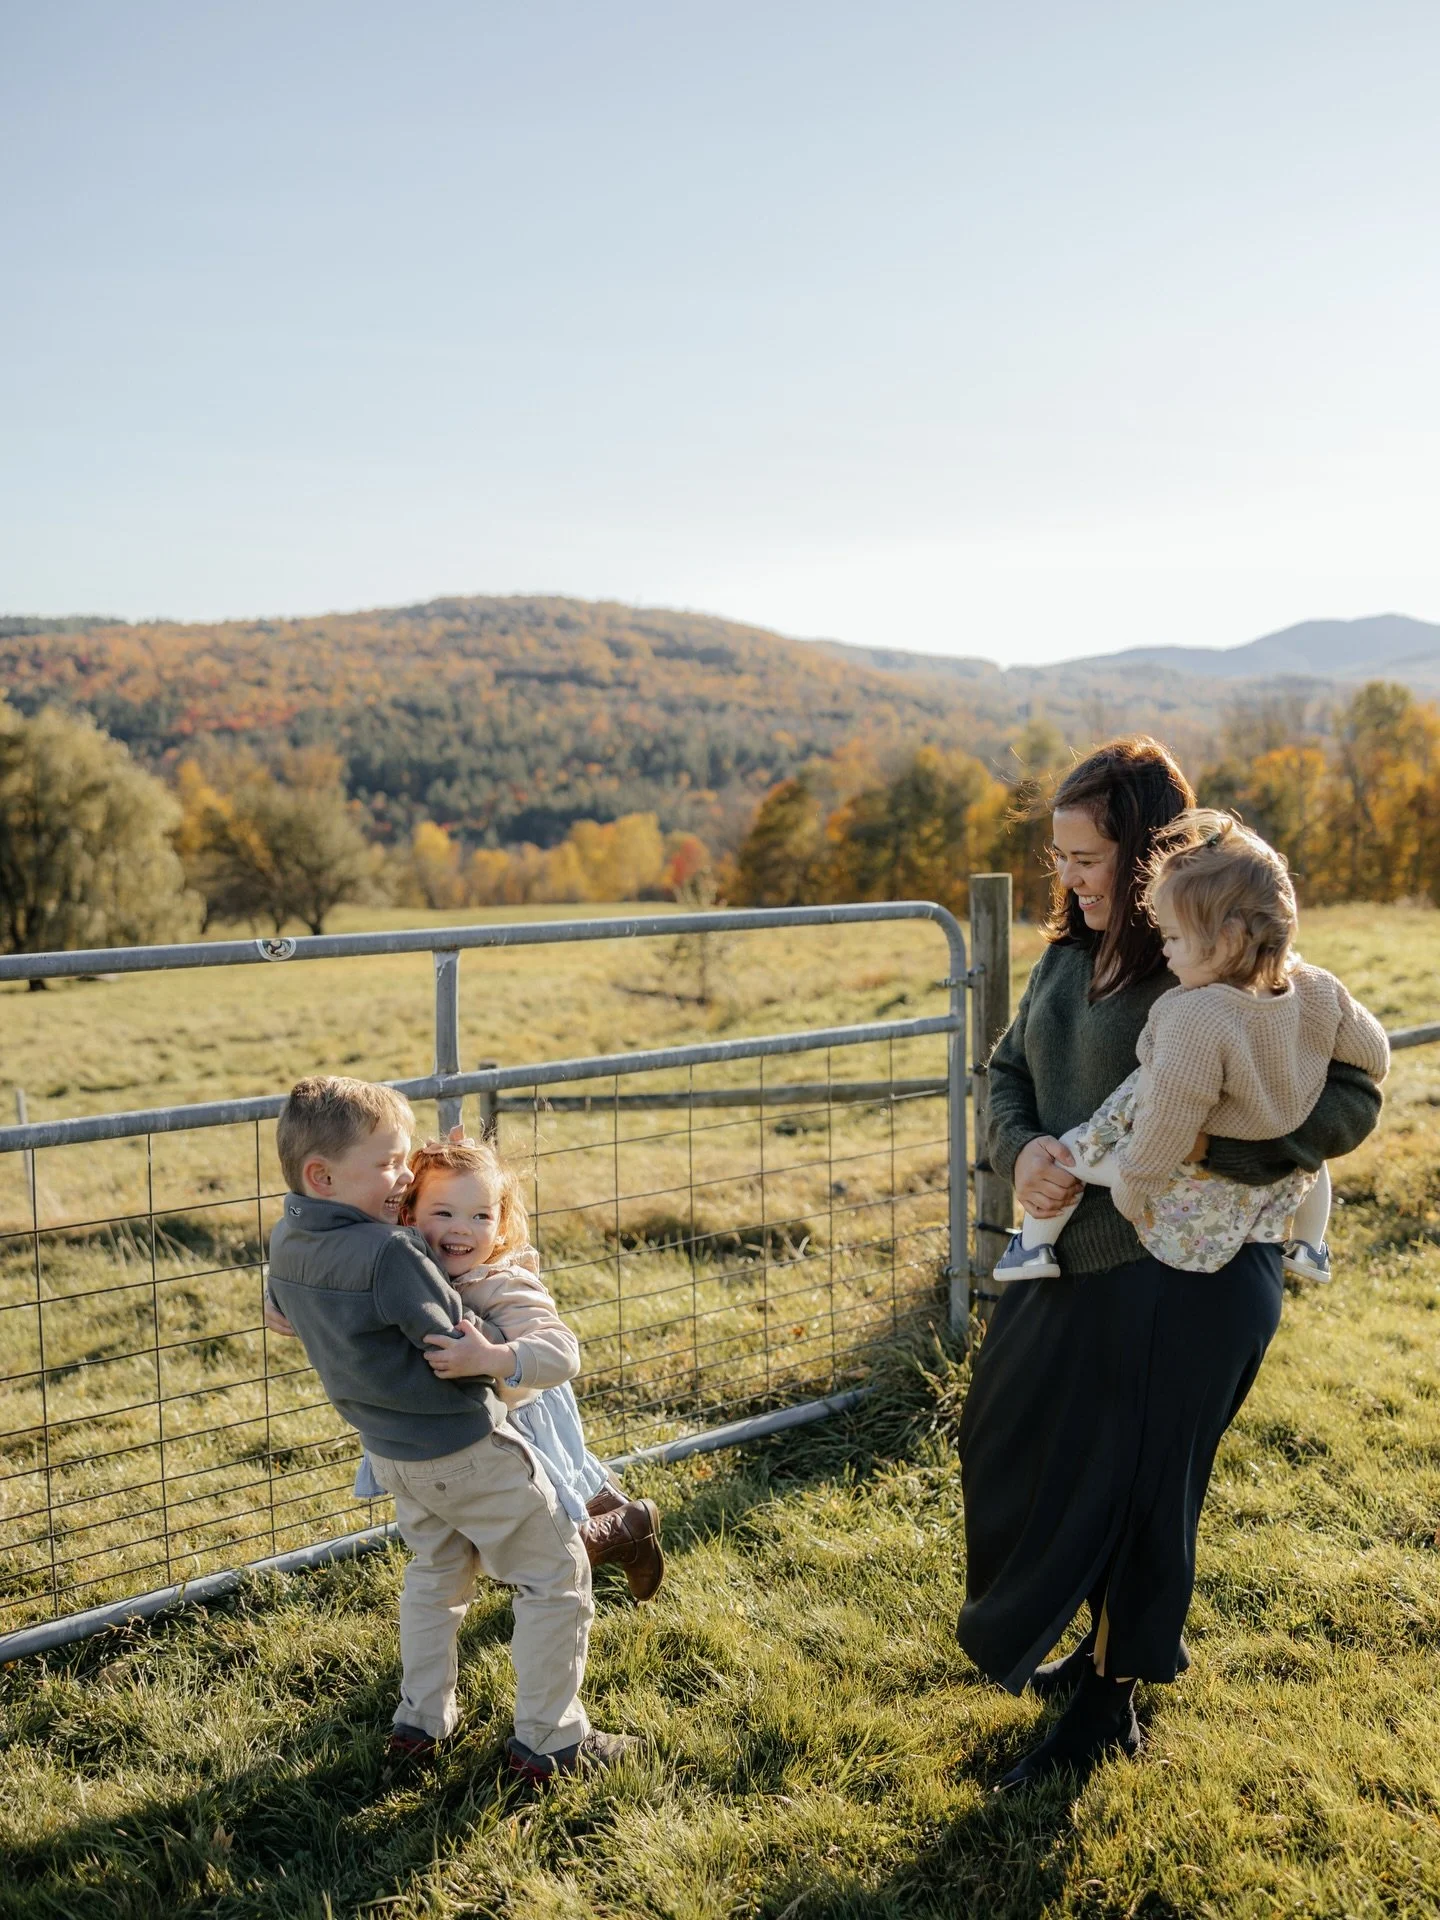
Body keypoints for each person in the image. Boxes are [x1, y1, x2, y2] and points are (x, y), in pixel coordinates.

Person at [955, 739, 1384, 1790]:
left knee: (1143, 1491)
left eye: (1089, 858)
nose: (1070, 879)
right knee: (1004, 1443)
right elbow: (1008, 1074)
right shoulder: (1067, 959)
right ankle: (1078, 1645)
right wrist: (1027, 1153)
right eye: (1058, 857)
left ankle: (1108, 1705)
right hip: (1068, 1261)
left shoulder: (1225, 976)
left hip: (1190, 1274)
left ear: (1150, 854)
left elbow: (1349, 1101)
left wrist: (1208, 1150)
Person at [263, 1075, 634, 1782]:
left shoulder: (288, 1241)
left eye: (406, 1167)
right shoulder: (396, 1254)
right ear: (324, 1174)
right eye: (388, 1166)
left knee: (435, 1577)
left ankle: (420, 1722)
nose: (399, 1182)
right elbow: (450, 1352)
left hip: (391, 1455)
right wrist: (492, 1357)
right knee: (556, 1574)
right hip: (467, 1450)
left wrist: (431, 1186)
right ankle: (551, 1743)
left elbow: (295, 1290)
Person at [993, 809, 1388, 1284]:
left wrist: (1135, 1186)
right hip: (1277, 1171)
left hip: (1180, 1193)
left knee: (1077, 1150)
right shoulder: (1317, 988)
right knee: (1312, 1170)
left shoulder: (1192, 1013)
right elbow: (1374, 1055)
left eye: (1175, 938)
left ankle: (1034, 1246)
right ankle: (1309, 1246)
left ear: (1228, 938)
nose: (1166, 950)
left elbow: (1172, 1113)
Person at [383, 1133, 665, 1602]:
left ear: (500, 1224)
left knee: (533, 1549)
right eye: (444, 1212)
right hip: (473, 1428)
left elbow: (562, 1352)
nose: (463, 1228)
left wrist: (492, 1358)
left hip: (521, 1426)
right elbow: (349, 1242)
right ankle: (616, 1518)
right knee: (521, 1544)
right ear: (408, 1215)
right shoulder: (409, 1265)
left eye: (481, 1215)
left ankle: (625, 1530)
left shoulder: (500, 1283)